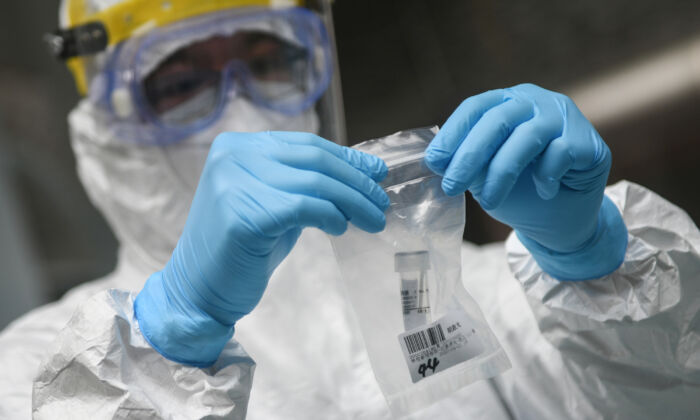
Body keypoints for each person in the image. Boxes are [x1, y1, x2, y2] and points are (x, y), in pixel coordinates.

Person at [1, 0, 699, 418]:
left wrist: (594, 266)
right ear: (106, 129)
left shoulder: (482, 297)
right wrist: (171, 335)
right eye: (179, 82)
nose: (238, 106)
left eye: (269, 59)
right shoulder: (47, 367)